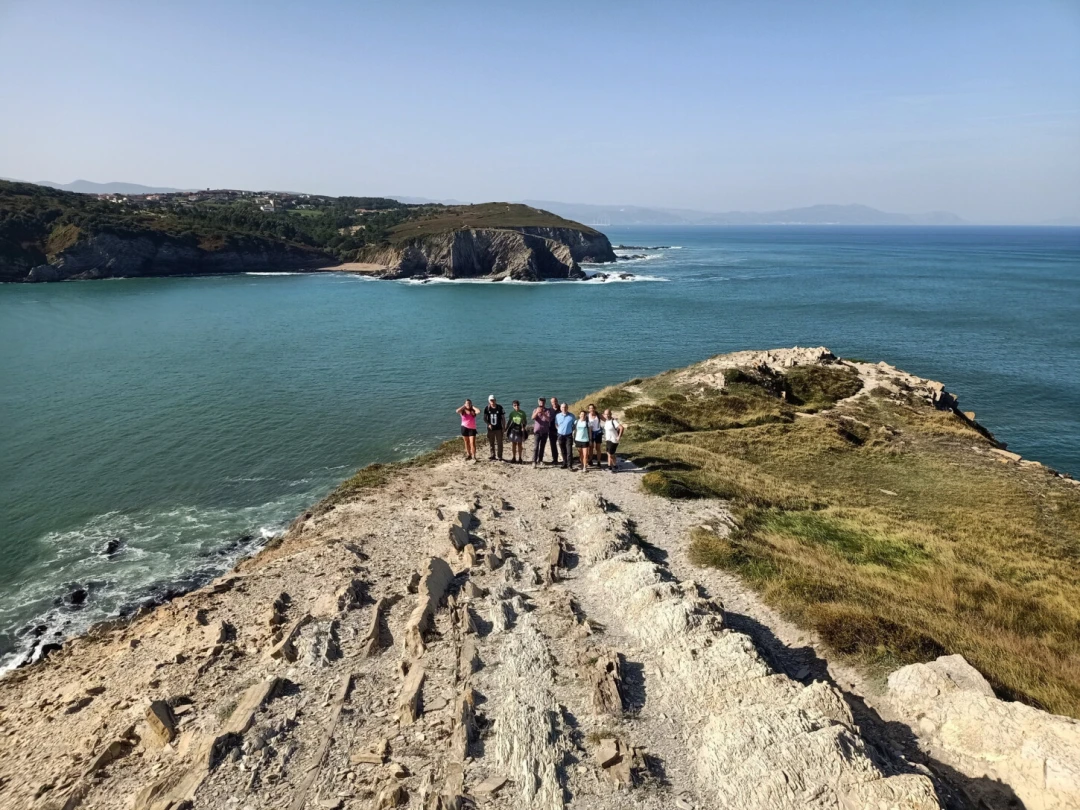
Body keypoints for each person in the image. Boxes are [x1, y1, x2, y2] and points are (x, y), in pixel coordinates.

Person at [554, 402, 577, 469]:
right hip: (560, 435)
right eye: (562, 407)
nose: (564, 408)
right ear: (560, 408)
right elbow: (556, 424)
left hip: (568, 436)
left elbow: (575, 424)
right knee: (563, 450)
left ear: (567, 408)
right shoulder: (557, 416)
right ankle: (565, 463)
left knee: (569, 451)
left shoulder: (571, 416)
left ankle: (570, 465)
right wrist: (558, 429)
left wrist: (571, 430)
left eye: (565, 407)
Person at [531, 397, 552, 467]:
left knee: (542, 447)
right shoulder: (535, 410)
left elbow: (548, 420)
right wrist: (537, 412)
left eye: (543, 402)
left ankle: (540, 460)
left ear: (544, 403)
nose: (541, 403)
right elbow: (533, 418)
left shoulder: (547, 411)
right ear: (538, 402)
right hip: (537, 432)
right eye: (540, 402)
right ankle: (534, 461)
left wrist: (543, 413)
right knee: (536, 447)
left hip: (545, 432)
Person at [483, 395, 505, 461]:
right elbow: (484, 418)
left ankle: (500, 456)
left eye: (493, 400)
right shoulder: (487, 408)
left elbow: (503, 418)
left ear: (495, 400)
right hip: (491, 429)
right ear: (489, 401)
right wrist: (488, 424)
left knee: (499, 443)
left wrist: (504, 427)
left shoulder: (500, 407)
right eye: (491, 400)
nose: (492, 401)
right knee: (491, 442)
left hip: (498, 428)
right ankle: (493, 455)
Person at [545, 396, 561, 464]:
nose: (554, 403)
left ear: (557, 401)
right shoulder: (549, 410)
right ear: (551, 403)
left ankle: (565, 460)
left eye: (555, 401)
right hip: (551, 430)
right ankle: (555, 459)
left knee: (562, 445)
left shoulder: (561, 409)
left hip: (560, 430)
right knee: (553, 445)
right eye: (552, 402)